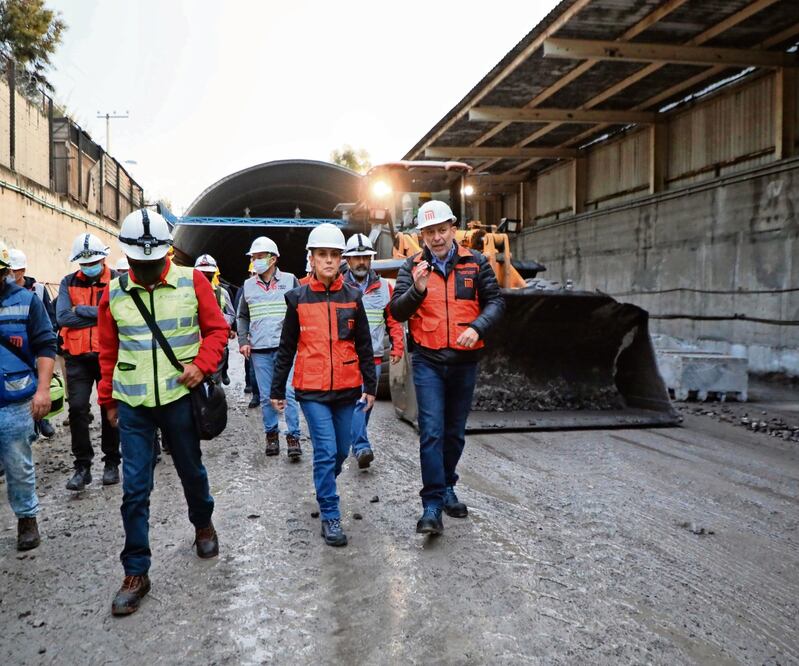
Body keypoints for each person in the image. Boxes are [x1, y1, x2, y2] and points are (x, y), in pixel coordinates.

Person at [97, 208, 228, 616]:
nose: (150, 271)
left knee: (191, 470)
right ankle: (136, 570)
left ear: (167, 255)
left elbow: (218, 330)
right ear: (129, 258)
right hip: (134, 406)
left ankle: (202, 524)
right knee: (135, 488)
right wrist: (109, 403)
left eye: (156, 264)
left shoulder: (192, 282)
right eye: (142, 265)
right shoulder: (113, 295)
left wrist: (202, 365)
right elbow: (108, 353)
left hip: (177, 399)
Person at [390, 200, 504, 536]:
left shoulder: (476, 262)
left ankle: (448, 485)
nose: (437, 238)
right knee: (432, 432)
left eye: (442, 230)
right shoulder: (411, 267)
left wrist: (478, 327)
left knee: (454, 433)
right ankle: (432, 505)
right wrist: (417, 290)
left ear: (453, 228)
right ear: (421, 235)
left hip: (464, 362)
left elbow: (496, 302)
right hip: (428, 361)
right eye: (429, 232)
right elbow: (397, 311)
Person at [270, 223, 377, 547]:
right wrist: (277, 389)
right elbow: (287, 347)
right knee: (326, 451)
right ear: (312, 258)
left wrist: (370, 385)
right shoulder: (297, 298)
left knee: (342, 451)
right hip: (312, 390)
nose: (328, 260)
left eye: (334, 255)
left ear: (340, 259)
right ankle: (330, 514)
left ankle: (324, 483)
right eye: (322, 255)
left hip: (346, 388)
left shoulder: (353, 297)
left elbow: (364, 345)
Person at [0, 240, 56, 551]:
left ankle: (26, 518)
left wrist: (44, 390)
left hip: (14, 400)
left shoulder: (27, 301)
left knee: (17, 464)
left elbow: (46, 345)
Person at [56, 233, 121, 489]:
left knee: (109, 408)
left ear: (104, 258)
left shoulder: (117, 281)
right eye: (83, 264)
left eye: (92, 262)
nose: (88, 267)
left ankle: (112, 461)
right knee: (77, 409)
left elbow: (117, 314)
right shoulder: (67, 282)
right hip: (77, 357)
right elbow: (62, 318)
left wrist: (80, 311)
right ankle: (82, 467)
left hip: (108, 355)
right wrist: (100, 315)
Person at [237, 237, 302, 460]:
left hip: (286, 349)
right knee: (266, 396)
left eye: (258, 257)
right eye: (253, 257)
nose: (254, 261)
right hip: (260, 351)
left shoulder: (290, 281)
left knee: (290, 394)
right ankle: (271, 434)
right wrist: (243, 341)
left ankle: (293, 437)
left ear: (272, 259)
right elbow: (242, 315)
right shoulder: (248, 286)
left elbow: (302, 309)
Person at [341, 233, 404, 468]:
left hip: (375, 358)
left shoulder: (385, 288)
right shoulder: (338, 286)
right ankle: (361, 446)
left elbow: (394, 321)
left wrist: (397, 346)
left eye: (365, 257)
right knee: (357, 402)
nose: (361, 262)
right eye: (356, 258)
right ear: (347, 260)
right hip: (347, 358)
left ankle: (356, 439)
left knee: (367, 403)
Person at [9, 249, 57, 438]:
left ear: (23, 270)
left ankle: (42, 419)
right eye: (10, 270)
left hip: (36, 345)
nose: (13, 274)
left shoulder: (38, 290)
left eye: (17, 270)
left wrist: (43, 341)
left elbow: (50, 318)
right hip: (15, 347)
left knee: (39, 384)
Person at [194, 254, 235, 385]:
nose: (205, 277)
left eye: (209, 273)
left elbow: (231, 313)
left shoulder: (221, 293)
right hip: (193, 344)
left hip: (215, 343)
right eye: (202, 273)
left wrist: (221, 325)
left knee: (213, 382)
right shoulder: (186, 292)